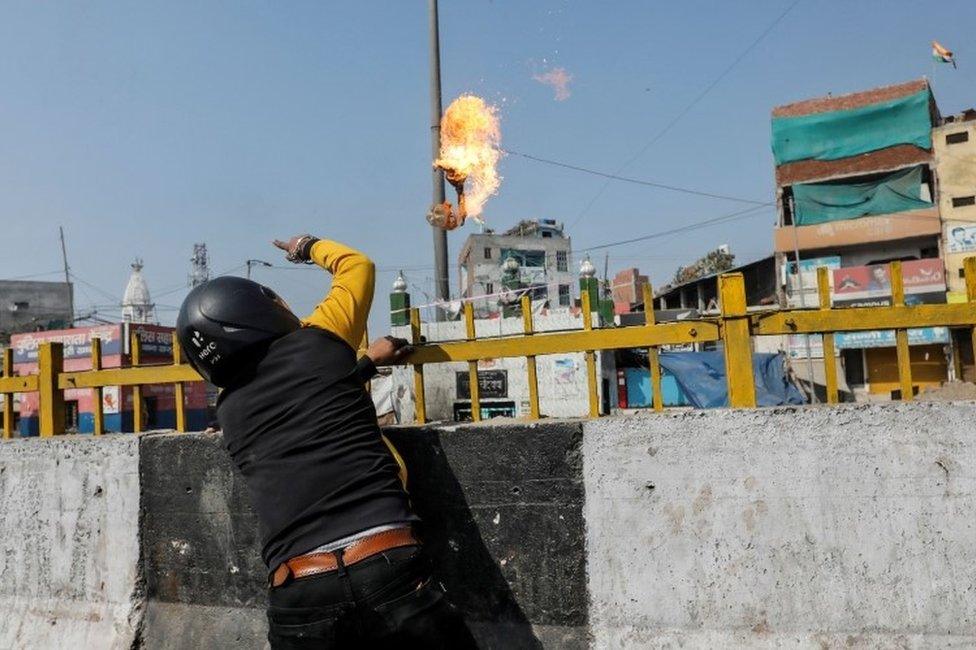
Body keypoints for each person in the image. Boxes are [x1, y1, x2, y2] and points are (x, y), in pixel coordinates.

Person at [176, 234, 476, 649]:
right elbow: (358, 266)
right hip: (388, 566)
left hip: (299, 594)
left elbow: (307, 404)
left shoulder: (229, 413)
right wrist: (306, 245)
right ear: (259, 310)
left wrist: (365, 365)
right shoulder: (322, 341)